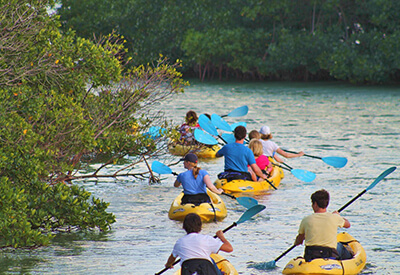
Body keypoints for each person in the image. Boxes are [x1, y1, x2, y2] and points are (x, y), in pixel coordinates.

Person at [294, 189, 354, 262]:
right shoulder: (334, 218)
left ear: (315, 204)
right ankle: (349, 261)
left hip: (311, 255)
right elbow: (348, 225)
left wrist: (296, 242)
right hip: (329, 255)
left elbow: (299, 241)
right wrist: (337, 215)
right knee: (340, 246)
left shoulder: (306, 219)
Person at [164, 213, 233, 275]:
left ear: (184, 227)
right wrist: (221, 237)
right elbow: (229, 248)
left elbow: (171, 259)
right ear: (200, 226)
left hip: (188, 269)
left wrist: (168, 265)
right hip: (206, 269)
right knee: (212, 262)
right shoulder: (207, 239)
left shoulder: (180, 242)